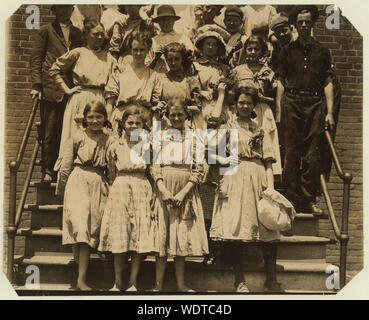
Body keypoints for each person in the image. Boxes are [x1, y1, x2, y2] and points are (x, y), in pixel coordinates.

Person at [210, 81, 282, 293]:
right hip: (234, 175)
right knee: (236, 228)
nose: (244, 106)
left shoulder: (259, 129)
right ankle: (239, 279)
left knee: (267, 226)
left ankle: (271, 278)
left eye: (248, 103)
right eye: (241, 102)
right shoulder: (227, 127)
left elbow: (269, 161)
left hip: (257, 176)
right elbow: (213, 155)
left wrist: (270, 189)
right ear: (235, 104)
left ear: (254, 105)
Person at [275, 5, 335, 214]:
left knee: (312, 154)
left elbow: (328, 82)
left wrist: (329, 112)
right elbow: (281, 82)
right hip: (292, 102)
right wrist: (279, 110)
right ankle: (292, 199)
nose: (303, 25)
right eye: (299, 22)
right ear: (294, 24)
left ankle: (309, 199)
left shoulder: (322, 51)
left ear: (312, 23)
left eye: (306, 22)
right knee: (291, 152)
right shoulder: (286, 51)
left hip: (314, 104)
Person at [150, 99, 208, 292]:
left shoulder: (194, 137)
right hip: (164, 189)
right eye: (172, 115)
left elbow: (198, 170)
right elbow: (155, 166)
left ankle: (181, 283)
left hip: (186, 190)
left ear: (187, 116)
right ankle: (157, 284)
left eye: (180, 115)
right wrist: (163, 190)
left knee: (181, 236)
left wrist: (183, 193)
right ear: (167, 115)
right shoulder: (160, 135)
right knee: (163, 238)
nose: (176, 118)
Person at [56, 101, 112, 291]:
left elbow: (112, 165)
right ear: (85, 119)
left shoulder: (109, 139)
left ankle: (81, 276)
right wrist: (62, 189)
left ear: (105, 118)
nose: (95, 121)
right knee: (79, 227)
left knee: (90, 229)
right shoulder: (77, 136)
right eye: (91, 117)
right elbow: (66, 165)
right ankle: (80, 279)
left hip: (98, 182)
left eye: (99, 117)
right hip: (78, 180)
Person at [99, 106, 154, 292]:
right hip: (120, 188)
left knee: (138, 235)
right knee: (119, 235)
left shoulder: (146, 145)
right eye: (130, 122)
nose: (133, 126)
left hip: (140, 187)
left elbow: (150, 170)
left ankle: (133, 282)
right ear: (123, 124)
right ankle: (117, 282)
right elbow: (111, 172)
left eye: (138, 123)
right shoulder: (115, 146)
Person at [49, 18, 115, 172]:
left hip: (100, 99)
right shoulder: (78, 53)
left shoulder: (110, 58)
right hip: (80, 98)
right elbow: (54, 69)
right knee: (76, 137)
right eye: (96, 34)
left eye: (102, 34)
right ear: (86, 35)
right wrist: (67, 89)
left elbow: (113, 85)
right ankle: (69, 172)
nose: (100, 37)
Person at [30, 4, 83, 182]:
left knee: (67, 130)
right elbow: (36, 59)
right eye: (60, 8)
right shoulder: (46, 31)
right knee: (49, 131)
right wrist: (37, 85)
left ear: (71, 11)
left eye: (67, 8)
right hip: (51, 88)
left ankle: (65, 170)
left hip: (72, 88)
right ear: (54, 11)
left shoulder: (78, 33)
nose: (64, 12)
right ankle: (48, 171)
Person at [230, 34, 282, 175]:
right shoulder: (237, 71)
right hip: (242, 110)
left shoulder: (268, 72)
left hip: (262, 110)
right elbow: (231, 94)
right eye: (249, 49)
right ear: (245, 50)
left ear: (262, 51)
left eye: (256, 49)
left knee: (264, 142)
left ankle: (266, 174)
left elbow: (274, 97)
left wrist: (263, 97)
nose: (253, 52)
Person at [105, 31, 163, 133]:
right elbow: (109, 103)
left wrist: (156, 132)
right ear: (130, 51)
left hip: (143, 122)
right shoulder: (120, 72)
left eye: (142, 49)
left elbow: (156, 108)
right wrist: (105, 126)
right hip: (121, 121)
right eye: (135, 50)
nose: (138, 53)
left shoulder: (154, 76)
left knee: (139, 148)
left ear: (148, 50)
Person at [193, 25, 230, 129]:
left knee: (220, 139)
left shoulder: (224, 68)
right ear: (202, 46)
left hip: (220, 105)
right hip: (201, 106)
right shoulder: (195, 65)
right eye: (208, 44)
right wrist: (200, 92)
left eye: (214, 45)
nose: (210, 47)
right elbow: (188, 87)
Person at [160, 42, 202, 128]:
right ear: (166, 60)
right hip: (166, 123)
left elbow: (197, 107)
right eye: (170, 59)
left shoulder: (191, 80)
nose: (173, 63)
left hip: (187, 123)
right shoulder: (160, 79)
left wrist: (182, 110)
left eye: (177, 59)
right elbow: (157, 103)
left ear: (182, 59)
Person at [147, 5, 194, 74]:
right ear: (158, 22)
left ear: (174, 20)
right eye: (163, 20)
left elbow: (191, 60)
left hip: (180, 78)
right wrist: (156, 58)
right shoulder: (152, 41)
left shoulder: (184, 39)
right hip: (158, 79)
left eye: (169, 20)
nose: (166, 23)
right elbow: (146, 68)